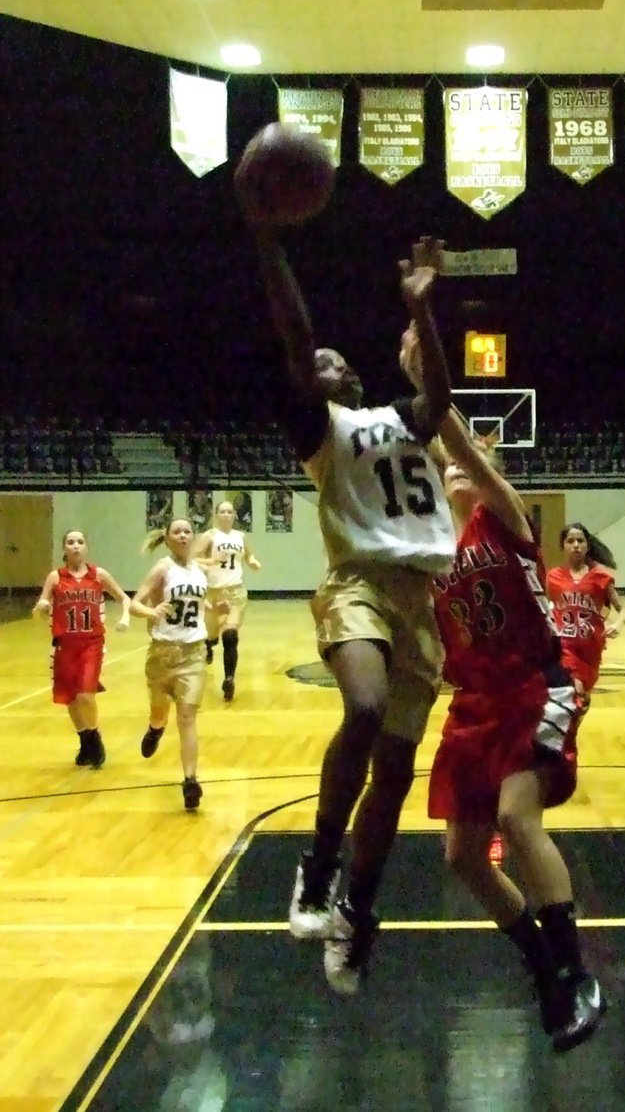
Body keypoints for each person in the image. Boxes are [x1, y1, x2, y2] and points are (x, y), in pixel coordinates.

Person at [239, 177, 457, 994]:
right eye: (314, 363)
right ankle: (317, 863)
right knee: (363, 709)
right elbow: (295, 336)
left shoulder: (401, 421)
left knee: (395, 779)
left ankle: (357, 911)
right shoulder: (318, 430)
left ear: (357, 376)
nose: (322, 363)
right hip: (357, 582)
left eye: (335, 359)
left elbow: (439, 394)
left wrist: (424, 309)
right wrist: (267, 240)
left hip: (421, 599)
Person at [427, 406, 606, 1054]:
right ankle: (541, 965)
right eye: (444, 464)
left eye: (463, 461)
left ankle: (579, 973)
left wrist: (430, 386)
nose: (453, 467)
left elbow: (464, 451)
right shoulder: (432, 550)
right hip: (476, 703)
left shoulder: (501, 515)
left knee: (516, 818)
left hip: (533, 686)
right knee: (461, 857)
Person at [130, 518, 221, 810]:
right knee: (160, 712)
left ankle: (190, 781)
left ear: (193, 538)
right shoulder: (162, 569)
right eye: (177, 532)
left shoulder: (199, 572)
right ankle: (156, 729)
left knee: (187, 718)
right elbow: (134, 603)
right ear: (167, 539)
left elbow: (199, 604)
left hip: (193, 653)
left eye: (187, 531)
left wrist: (216, 608)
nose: (183, 536)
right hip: (162, 654)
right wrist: (150, 610)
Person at [31, 530, 131, 768]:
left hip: (91, 644)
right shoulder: (55, 577)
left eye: (80, 542)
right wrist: (42, 606)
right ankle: (85, 741)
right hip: (64, 645)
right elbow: (41, 606)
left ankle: (94, 737)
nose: (75, 546)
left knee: (86, 694)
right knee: (71, 699)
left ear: (86, 547)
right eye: (70, 542)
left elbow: (124, 598)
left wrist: (125, 617)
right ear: (64, 549)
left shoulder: (99, 574)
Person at [545, 523, 625, 698]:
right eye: (570, 541)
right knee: (574, 689)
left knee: (582, 696)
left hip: (591, 649)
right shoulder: (553, 577)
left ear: (587, 546)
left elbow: (623, 610)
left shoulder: (601, 578)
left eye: (580, 540)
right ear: (563, 546)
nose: (576, 545)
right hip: (564, 647)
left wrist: (618, 624)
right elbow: (543, 606)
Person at [194, 500, 262, 701]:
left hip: (235, 592)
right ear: (216, 515)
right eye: (222, 511)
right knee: (211, 635)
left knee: (230, 635)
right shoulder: (210, 536)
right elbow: (193, 559)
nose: (225, 514)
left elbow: (248, 556)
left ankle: (229, 679)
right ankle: (208, 646)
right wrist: (210, 562)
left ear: (234, 516)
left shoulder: (240, 536)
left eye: (229, 511)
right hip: (212, 592)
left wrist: (253, 562)